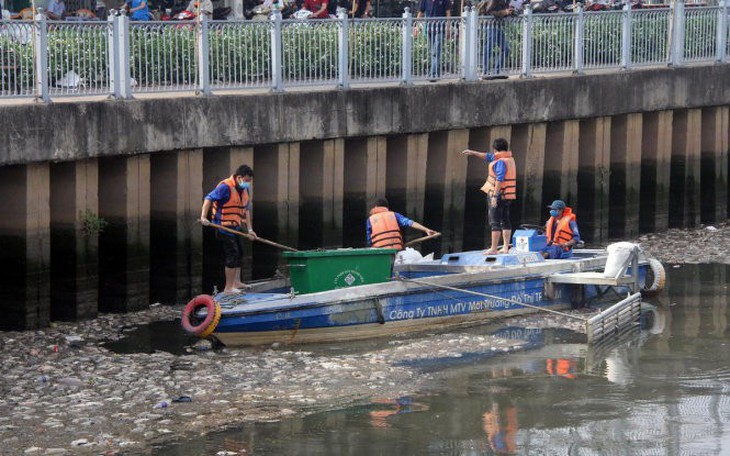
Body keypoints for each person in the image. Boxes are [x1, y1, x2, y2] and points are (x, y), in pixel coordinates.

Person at [200, 165, 257, 294]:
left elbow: (246, 210)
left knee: (241, 252)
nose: (248, 183)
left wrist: (249, 229)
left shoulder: (243, 191)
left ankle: (237, 282)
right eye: (246, 180)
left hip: (236, 226)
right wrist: (203, 217)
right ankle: (228, 287)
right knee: (233, 254)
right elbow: (208, 199)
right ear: (239, 177)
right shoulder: (225, 187)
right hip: (223, 227)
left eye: (249, 181)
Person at [461, 138, 516, 255]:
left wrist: (495, 196)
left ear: (495, 148)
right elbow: (488, 157)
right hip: (507, 195)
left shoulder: (500, 162)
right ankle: (505, 247)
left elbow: (499, 179)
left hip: (498, 195)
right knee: (505, 220)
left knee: (495, 221)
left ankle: (494, 248)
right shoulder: (508, 158)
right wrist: (473, 152)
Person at [367, 198, 437, 250]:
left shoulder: (370, 220)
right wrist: (426, 230)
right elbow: (409, 222)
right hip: (395, 249)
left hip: (380, 251)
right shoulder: (394, 215)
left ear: (375, 207)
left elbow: (369, 240)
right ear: (387, 207)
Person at [416, 0, 452, 82]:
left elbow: (448, 13)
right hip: (429, 29)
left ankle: (432, 74)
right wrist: (417, 26)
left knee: (436, 52)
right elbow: (420, 12)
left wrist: (448, 28)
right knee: (433, 52)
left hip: (440, 29)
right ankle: (437, 73)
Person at [481, 0, 512, 80]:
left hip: (498, 26)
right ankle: (485, 72)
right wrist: (504, 12)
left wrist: (510, 12)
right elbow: (489, 11)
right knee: (488, 49)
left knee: (506, 49)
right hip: (490, 26)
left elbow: (501, 12)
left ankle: (497, 72)